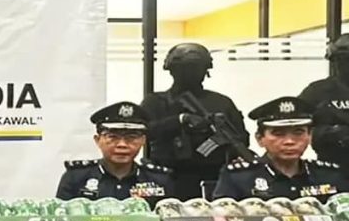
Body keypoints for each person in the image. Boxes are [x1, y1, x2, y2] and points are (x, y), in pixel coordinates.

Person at [141, 42, 250, 199]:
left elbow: (242, 138)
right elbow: (143, 132)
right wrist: (180, 121)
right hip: (167, 176)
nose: (190, 73)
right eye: (184, 69)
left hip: (214, 177)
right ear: (171, 70)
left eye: (195, 68)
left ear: (206, 71)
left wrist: (220, 138)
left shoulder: (221, 102)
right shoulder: (156, 102)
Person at [213, 96, 347, 201]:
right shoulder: (239, 177)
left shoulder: (329, 175)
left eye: (298, 132)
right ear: (260, 139)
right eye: (278, 134)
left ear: (310, 136)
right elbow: (221, 220)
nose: (289, 141)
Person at [55, 101, 174, 204]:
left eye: (131, 137)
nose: (122, 144)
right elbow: (62, 219)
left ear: (143, 141)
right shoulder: (76, 178)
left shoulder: (159, 180)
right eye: (112, 137)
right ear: (97, 140)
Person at [299, 34, 349, 166]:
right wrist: (334, 133)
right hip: (333, 165)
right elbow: (295, 125)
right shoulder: (318, 91)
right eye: (344, 59)